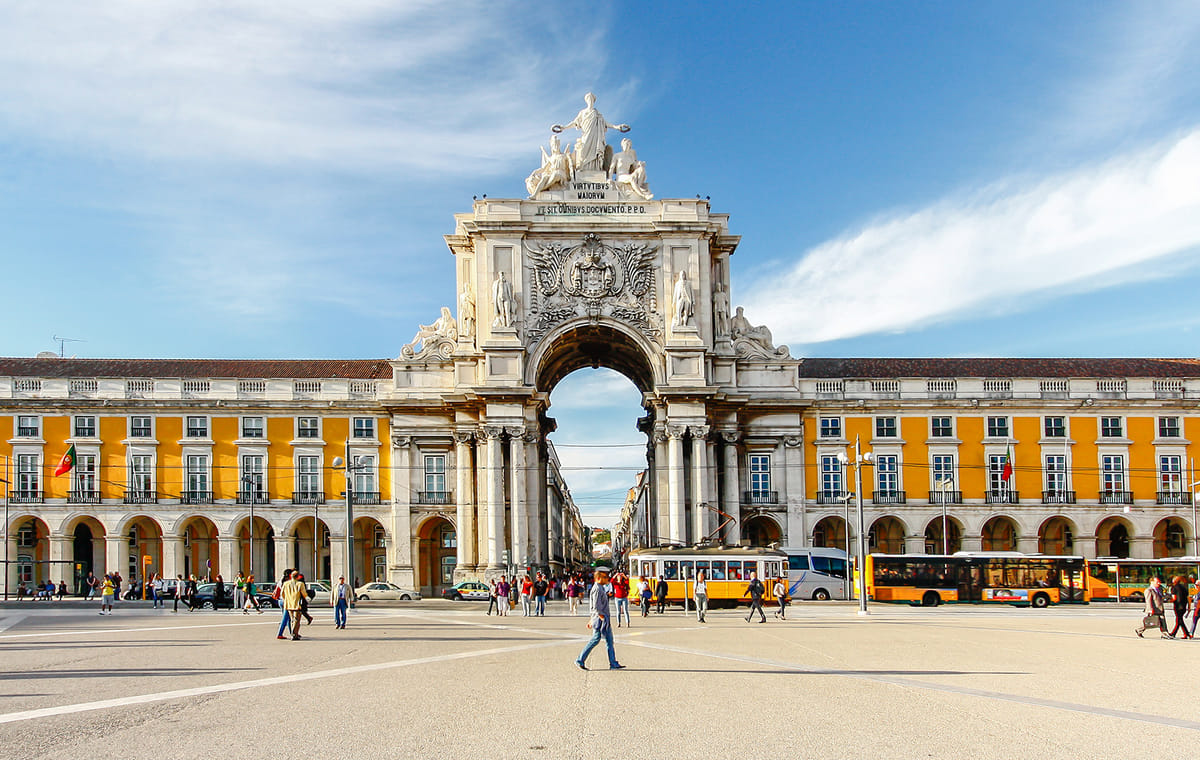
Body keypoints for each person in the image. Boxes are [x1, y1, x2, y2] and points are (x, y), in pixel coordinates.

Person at [552, 92, 630, 173]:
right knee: (583, 150)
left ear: (593, 100)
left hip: (596, 136)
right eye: (588, 99)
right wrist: (564, 127)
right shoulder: (583, 112)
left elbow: (605, 123)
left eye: (591, 99)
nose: (590, 100)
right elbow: (575, 122)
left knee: (596, 151)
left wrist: (616, 127)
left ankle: (596, 169)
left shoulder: (597, 113)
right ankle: (583, 168)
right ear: (586, 101)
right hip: (586, 134)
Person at [574, 567, 624, 671]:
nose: (607, 579)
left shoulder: (601, 587)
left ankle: (613, 663)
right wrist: (599, 617)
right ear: (598, 578)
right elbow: (595, 605)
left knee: (609, 640)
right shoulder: (597, 588)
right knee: (595, 639)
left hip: (603, 617)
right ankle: (580, 660)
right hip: (601, 618)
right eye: (605, 577)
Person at [281, 571, 307, 641]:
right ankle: (294, 633)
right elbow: (304, 593)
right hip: (296, 603)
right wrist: (307, 598)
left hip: (289, 604)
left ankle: (294, 633)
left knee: (292, 619)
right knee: (296, 620)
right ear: (298, 576)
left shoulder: (285, 583)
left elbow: (282, 593)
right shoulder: (300, 584)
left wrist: (286, 599)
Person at [1167, 575, 1192, 639]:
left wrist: (1169, 600)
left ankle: (1175, 633)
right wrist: (1189, 607)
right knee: (1179, 620)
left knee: (1179, 620)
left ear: (1174, 581)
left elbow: (1174, 598)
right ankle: (1185, 634)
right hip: (1184, 606)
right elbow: (1188, 597)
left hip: (1178, 606)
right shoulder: (1184, 588)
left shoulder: (1174, 588)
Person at [275, 569, 293, 639]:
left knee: (288, 618)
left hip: (280, 600)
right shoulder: (288, 582)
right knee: (285, 619)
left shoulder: (281, 581)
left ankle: (292, 632)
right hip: (286, 601)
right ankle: (280, 633)